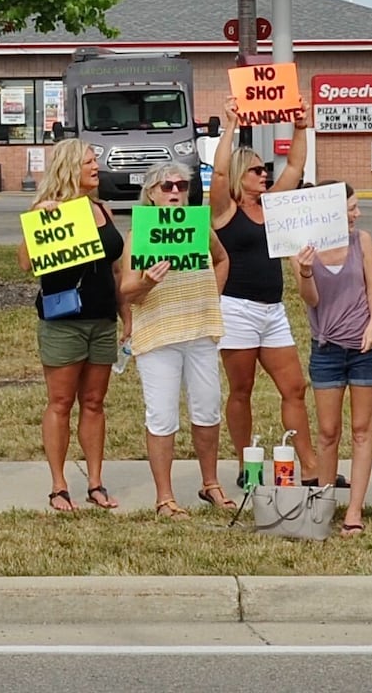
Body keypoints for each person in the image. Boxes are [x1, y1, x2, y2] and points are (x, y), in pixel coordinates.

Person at [208, 98, 318, 483]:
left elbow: (296, 167)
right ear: (242, 174)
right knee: (242, 390)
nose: (264, 175)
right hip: (236, 307)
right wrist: (230, 127)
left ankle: (310, 466)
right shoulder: (224, 209)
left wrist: (301, 128)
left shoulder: (272, 205)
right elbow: (219, 175)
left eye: (265, 169)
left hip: (273, 310)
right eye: (256, 170)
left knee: (294, 387)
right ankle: (245, 466)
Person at [119, 162, 233, 517]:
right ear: (151, 193)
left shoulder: (199, 226)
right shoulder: (139, 234)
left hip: (199, 330)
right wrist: (147, 282)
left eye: (181, 186)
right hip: (158, 334)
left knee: (208, 407)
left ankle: (210, 482)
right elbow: (127, 290)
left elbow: (222, 258)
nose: (174, 192)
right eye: (166, 186)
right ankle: (165, 496)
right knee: (163, 415)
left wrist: (210, 294)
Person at [17, 140, 121, 512]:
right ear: (70, 168)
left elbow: (116, 268)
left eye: (96, 160)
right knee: (61, 402)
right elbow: (26, 264)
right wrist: (38, 217)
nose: (97, 166)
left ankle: (95, 482)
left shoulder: (102, 209)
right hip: (64, 320)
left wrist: (128, 316)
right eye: (90, 161)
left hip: (103, 317)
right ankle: (59, 485)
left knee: (94, 402)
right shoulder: (51, 212)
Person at [295, 183, 372, 535]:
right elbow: (311, 300)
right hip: (327, 349)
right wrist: (303, 271)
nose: (356, 214)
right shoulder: (304, 249)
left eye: (357, 206)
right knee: (328, 432)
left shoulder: (361, 241)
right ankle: (324, 504)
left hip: (365, 350)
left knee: (362, 431)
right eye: (351, 207)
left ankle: (354, 511)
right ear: (331, 210)